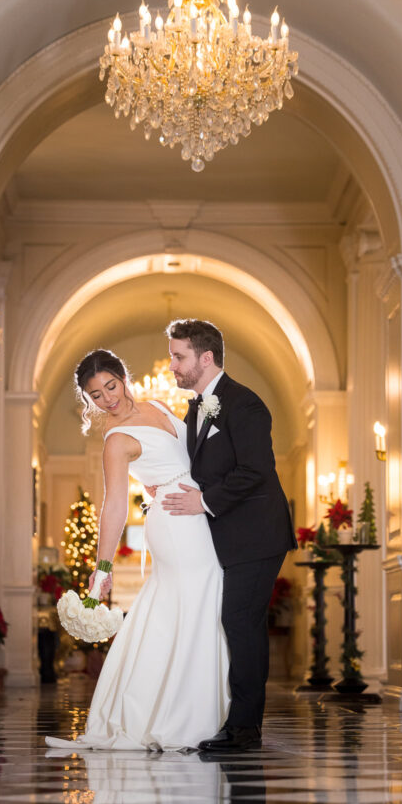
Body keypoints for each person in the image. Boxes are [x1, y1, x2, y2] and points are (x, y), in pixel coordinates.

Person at [46, 349, 229, 752]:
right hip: (176, 525)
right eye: (96, 395)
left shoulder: (158, 404)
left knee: (198, 607)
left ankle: (193, 708)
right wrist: (103, 566)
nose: (108, 398)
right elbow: (112, 506)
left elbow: (191, 455)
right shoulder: (115, 440)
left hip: (202, 513)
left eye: (111, 386)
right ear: (88, 401)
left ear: (124, 377)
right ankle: (181, 716)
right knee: (192, 606)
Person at [163, 319, 296, 752]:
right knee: (232, 623)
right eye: (172, 356)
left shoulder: (244, 404)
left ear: (206, 357)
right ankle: (232, 719)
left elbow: (255, 472)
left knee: (240, 623)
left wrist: (202, 501)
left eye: (179, 356)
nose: (172, 366)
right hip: (225, 538)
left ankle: (244, 729)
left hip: (257, 536)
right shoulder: (197, 406)